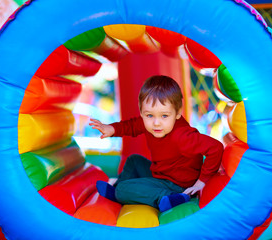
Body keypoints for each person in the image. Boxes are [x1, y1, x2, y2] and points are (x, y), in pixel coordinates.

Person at [89, 75, 223, 212]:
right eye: (149, 115)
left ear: (177, 113)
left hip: (179, 185)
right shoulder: (152, 124)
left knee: (123, 189)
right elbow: (133, 125)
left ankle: (172, 198)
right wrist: (112, 129)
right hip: (162, 174)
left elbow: (216, 148)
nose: (156, 122)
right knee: (134, 160)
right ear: (142, 112)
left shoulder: (182, 135)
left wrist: (201, 182)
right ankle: (118, 190)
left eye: (164, 116)